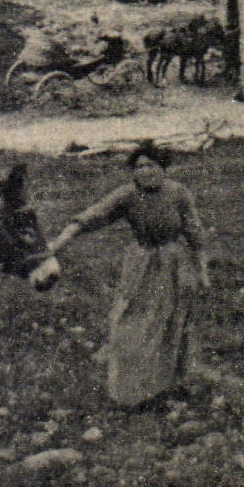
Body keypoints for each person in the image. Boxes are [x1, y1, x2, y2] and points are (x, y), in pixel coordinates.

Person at [46, 140, 210, 408]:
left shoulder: (179, 193)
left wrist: (202, 271)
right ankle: (132, 392)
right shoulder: (127, 195)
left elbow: (195, 233)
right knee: (132, 322)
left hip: (175, 264)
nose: (145, 171)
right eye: (139, 167)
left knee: (173, 323)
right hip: (141, 264)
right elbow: (91, 217)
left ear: (163, 168)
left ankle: (170, 385)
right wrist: (57, 244)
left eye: (151, 165)